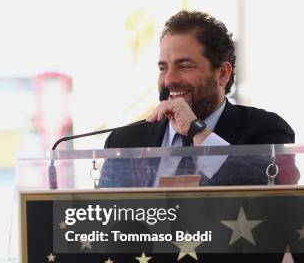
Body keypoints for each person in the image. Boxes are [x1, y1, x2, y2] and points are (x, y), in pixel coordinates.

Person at [101, 10, 298, 187]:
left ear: (222, 74)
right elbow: (108, 218)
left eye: (185, 66)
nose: (169, 80)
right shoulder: (124, 141)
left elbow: (275, 197)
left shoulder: (266, 131)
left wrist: (197, 131)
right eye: (163, 68)